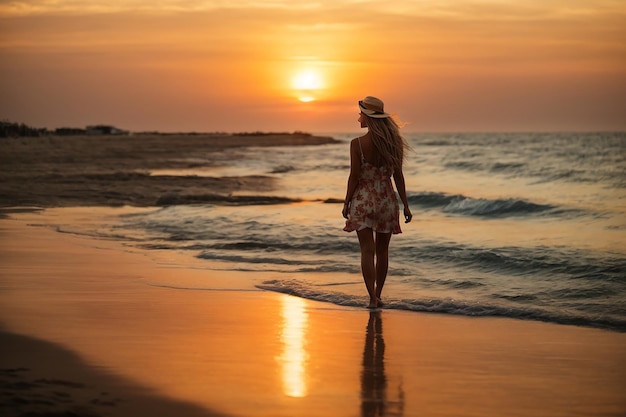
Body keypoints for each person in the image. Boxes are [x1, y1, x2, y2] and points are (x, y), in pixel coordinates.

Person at [342, 96, 412, 309]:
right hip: (386, 202)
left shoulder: (357, 144)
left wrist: (346, 202)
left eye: (360, 114)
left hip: (363, 201)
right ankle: (379, 295)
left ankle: (371, 297)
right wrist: (406, 205)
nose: (358, 118)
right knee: (382, 252)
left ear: (368, 117)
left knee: (367, 251)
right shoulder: (394, 143)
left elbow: (354, 176)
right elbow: (398, 176)